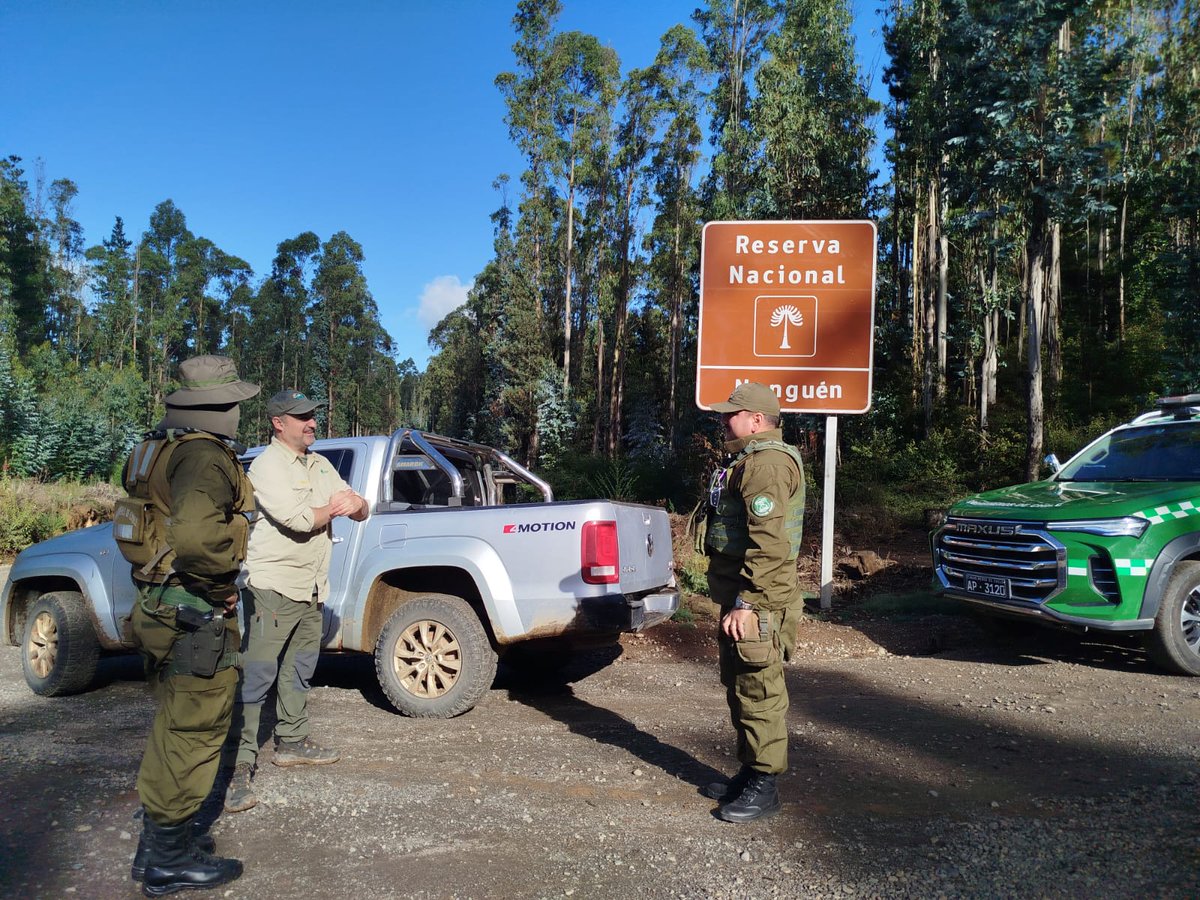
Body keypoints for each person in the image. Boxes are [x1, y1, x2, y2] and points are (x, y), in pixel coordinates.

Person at [120, 355, 259, 894]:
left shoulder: (159, 448)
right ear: (218, 406)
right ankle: (167, 863)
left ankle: (159, 847)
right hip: (195, 608)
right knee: (195, 728)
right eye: (234, 405)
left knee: (175, 722)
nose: (238, 415)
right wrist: (222, 585)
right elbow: (200, 540)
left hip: (162, 603)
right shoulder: (203, 456)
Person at [224, 389, 369, 813]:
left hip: (311, 588)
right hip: (273, 587)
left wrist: (353, 503)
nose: (311, 423)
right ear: (278, 422)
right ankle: (238, 767)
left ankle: (291, 740)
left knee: (300, 668)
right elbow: (301, 520)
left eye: (312, 416)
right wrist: (338, 504)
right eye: (302, 417)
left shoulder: (320, 464)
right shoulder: (266, 467)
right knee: (257, 676)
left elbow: (362, 509)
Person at [700, 382, 805, 823]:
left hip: (758, 599)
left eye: (733, 413)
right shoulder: (749, 460)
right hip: (744, 596)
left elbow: (769, 546)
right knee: (741, 686)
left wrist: (747, 602)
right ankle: (750, 771)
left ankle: (766, 785)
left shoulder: (766, 465)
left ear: (757, 419)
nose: (726, 420)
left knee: (759, 690)